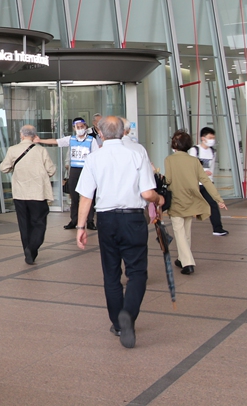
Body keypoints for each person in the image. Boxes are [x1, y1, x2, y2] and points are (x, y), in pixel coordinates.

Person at [75, 116, 163, 349]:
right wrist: (159, 199)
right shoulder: (137, 153)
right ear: (124, 132)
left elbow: (86, 196)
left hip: (106, 219)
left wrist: (81, 227)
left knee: (111, 273)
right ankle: (128, 314)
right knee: (137, 272)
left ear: (100, 134)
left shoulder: (94, 158)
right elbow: (147, 193)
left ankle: (117, 323)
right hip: (133, 218)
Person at [164, 130, 226, 275]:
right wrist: (218, 198)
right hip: (191, 200)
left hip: (177, 200)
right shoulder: (194, 161)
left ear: (174, 144)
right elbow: (205, 180)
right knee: (186, 231)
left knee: (179, 232)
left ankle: (188, 263)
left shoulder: (169, 160)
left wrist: (156, 173)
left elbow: (168, 180)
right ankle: (181, 259)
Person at [0, 125, 56, 264]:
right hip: (38, 194)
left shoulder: (12, 150)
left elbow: (4, 168)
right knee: (39, 223)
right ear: (34, 135)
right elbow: (51, 170)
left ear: (21, 135)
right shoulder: (41, 150)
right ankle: (32, 248)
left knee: (24, 224)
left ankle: (28, 252)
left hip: (20, 194)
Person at [35, 117, 97, 231]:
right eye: (77, 127)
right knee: (74, 197)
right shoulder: (71, 139)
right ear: (74, 128)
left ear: (85, 127)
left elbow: (96, 155)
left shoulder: (91, 140)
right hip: (74, 170)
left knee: (88, 196)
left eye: (82, 127)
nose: (80, 129)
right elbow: (56, 141)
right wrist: (40, 141)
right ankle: (74, 220)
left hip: (87, 170)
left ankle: (90, 221)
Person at [187, 127, 229, 236]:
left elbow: (212, 169)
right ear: (203, 138)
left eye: (213, 138)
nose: (212, 140)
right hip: (195, 184)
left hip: (206, 183)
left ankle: (217, 229)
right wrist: (203, 172)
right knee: (186, 205)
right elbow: (190, 167)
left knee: (213, 204)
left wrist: (211, 182)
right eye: (210, 137)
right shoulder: (194, 150)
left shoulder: (212, 152)